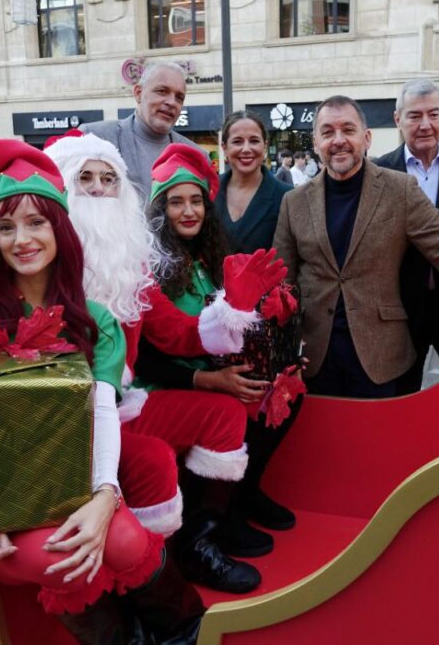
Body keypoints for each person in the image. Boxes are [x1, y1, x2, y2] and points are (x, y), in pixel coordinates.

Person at [0, 139, 206, 644]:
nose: (21, 240)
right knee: (60, 555)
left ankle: (183, 629)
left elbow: (99, 412)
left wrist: (104, 496)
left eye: (36, 222)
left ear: (60, 227)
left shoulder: (93, 317)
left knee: (119, 537)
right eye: (5, 227)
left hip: (76, 473)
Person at [43, 133, 287, 589]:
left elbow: (177, 332)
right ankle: (151, 575)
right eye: (85, 177)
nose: (97, 188)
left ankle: (199, 542)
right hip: (62, 421)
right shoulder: (39, 263)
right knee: (154, 457)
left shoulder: (130, 265)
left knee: (227, 415)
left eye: (108, 178)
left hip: (120, 408)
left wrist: (234, 306)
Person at [272, 95, 439, 399]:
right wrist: (285, 354)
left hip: (379, 356)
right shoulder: (294, 202)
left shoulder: (399, 189)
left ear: (366, 138)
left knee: (376, 444)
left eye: (348, 130)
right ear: (315, 142)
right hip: (314, 356)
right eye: (328, 132)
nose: (338, 140)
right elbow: (281, 286)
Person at [131, 143, 293, 589]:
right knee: (233, 409)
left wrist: (276, 350)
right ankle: (208, 532)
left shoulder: (211, 255)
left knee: (282, 395)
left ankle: (238, 502)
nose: (188, 211)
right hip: (165, 384)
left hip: (211, 374)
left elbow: (234, 322)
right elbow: (147, 353)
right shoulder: (147, 265)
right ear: (159, 208)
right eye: (176, 201)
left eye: (196, 200)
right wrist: (207, 379)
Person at [373, 77, 439, 393]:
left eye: (433, 114)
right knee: (401, 399)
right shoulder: (380, 172)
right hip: (402, 311)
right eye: (415, 115)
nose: (425, 124)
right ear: (398, 120)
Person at [80, 62, 205, 203]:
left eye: (179, 97)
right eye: (162, 91)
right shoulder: (94, 137)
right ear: (138, 93)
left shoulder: (196, 156)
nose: (171, 102)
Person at [215, 110, 294, 253]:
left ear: (264, 146)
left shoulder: (287, 196)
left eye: (254, 141)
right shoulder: (208, 189)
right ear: (224, 148)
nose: (246, 149)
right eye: (237, 141)